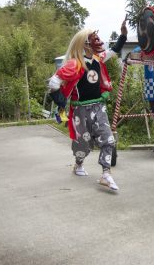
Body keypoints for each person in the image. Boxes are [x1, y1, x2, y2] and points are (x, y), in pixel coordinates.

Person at [48, 20, 128, 191]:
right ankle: (78, 164)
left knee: (108, 140)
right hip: (80, 110)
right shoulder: (75, 64)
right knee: (83, 144)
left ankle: (106, 174)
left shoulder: (99, 59)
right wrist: (60, 101)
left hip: (99, 107)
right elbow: (54, 81)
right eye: (94, 39)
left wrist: (123, 35)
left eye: (98, 39)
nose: (99, 42)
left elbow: (114, 51)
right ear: (85, 44)